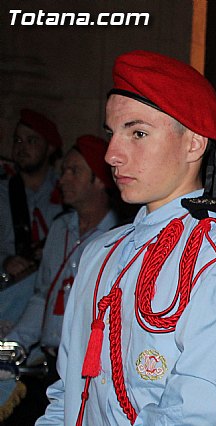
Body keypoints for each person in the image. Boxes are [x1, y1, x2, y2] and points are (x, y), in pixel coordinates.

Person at [36, 50, 216, 425]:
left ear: (193, 144)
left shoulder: (214, 246)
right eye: (112, 134)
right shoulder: (101, 252)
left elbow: (198, 403)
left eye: (138, 133)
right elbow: (69, 393)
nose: (113, 154)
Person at [1, 135, 119, 425]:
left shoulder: (118, 238)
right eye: (64, 169)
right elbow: (43, 296)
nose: (63, 178)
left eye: (74, 171)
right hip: (46, 363)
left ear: (99, 181)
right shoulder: (59, 229)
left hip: (88, 373)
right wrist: (9, 346)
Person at [0, 109, 64, 339]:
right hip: (8, 299)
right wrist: (5, 261)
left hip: (50, 303)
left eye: (31, 140)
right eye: (17, 140)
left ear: (50, 148)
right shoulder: (3, 192)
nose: (21, 147)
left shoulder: (67, 191)